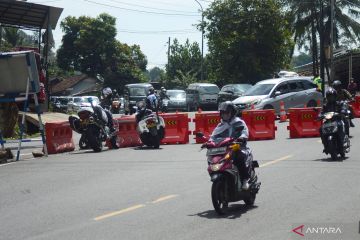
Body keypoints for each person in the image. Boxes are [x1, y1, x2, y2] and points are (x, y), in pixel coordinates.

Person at [209, 101, 251, 190]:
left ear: (232, 113)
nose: (225, 115)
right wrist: (209, 142)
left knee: (239, 158)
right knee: (212, 159)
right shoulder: (220, 125)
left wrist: (242, 138)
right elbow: (213, 136)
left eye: (227, 113)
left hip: (237, 147)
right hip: (223, 148)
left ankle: (245, 180)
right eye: (223, 113)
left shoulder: (238, 122)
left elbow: (245, 132)